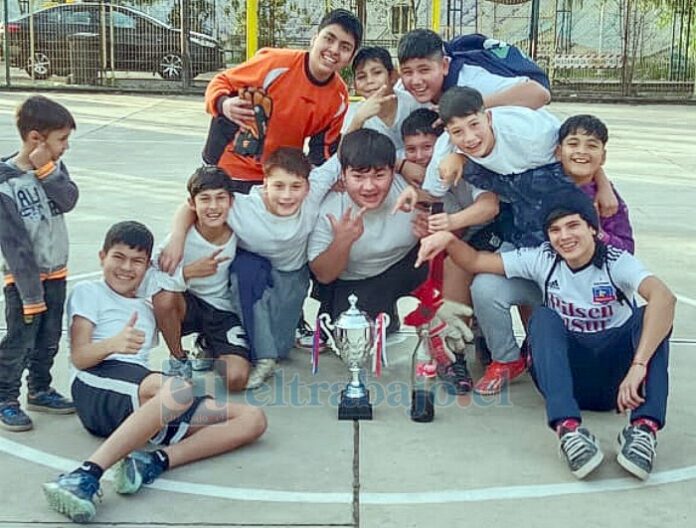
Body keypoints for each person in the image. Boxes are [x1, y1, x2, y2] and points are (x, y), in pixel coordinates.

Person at [416, 191, 674, 481]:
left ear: (592, 227)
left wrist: (638, 366)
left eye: (573, 225)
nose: (564, 236)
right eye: (555, 230)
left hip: (620, 384)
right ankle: (568, 430)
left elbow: (664, 297)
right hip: (566, 378)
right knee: (544, 318)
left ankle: (643, 429)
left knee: (650, 316)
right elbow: (476, 261)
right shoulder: (543, 259)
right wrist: (449, 240)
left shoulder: (616, 261)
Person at [43, 221, 266, 523]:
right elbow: (81, 357)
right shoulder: (88, 292)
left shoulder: (147, 309)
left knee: (252, 419)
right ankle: (85, 474)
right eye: (118, 257)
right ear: (101, 257)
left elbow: (172, 287)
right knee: (179, 389)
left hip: (135, 402)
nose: (126, 268)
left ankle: (152, 462)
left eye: (137, 261)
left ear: (147, 266)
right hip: (96, 385)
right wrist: (114, 344)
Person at [399, 87, 616, 396]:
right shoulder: (448, 154)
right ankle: (504, 358)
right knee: (484, 285)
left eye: (475, 125)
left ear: (488, 117)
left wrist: (603, 182)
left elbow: (581, 150)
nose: (470, 136)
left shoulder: (533, 134)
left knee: (577, 332)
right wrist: (415, 188)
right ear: (447, 134)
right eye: (457, 131)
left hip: (570, 251)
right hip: (526, 238)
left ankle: (570, 352)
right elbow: (434, 190)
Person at [161, 148, 341, 389]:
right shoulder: (242, 206)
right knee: (244, 271)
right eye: (278, 186)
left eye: (295, 187)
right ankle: (257, 357)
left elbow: (343, 156)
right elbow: (193, 204)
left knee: (281, 347)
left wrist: (360, 115)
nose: (286, 195)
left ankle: (216, 342)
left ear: (307, 187)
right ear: (265, 184)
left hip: (292, 274)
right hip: (254, 270)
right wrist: (178, 237)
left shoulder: (313, 191)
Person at [202, 8, 362, 193]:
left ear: (351, 56)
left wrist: (326, 177)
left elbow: (322, 150)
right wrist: (224, 104)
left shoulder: (338, 98)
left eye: (345, 47)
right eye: (329, 38)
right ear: (314, 38)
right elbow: (221, 82)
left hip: (275, 178)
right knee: (209, 217)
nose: (334, 50)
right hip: (226, 166)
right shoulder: (275, 63)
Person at [0, 95, 79, 431]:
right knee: (20, 339)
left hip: (57, 272)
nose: (65, 147)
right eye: (61, 140)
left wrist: (47, 169)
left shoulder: (52, 170)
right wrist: (31, 294)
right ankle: (5, 398)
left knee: (49, 337)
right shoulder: (6, 183)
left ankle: (40, 388)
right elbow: (15, 246)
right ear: (36, 138)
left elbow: (69, 199)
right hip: (23, 282)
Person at [151, 167, 250, 391]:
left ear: (231, 201)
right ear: (192, 204)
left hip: (223, 309)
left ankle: (210, 344)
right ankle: (178, 358)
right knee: (164, 298)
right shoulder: (179, 240)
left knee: (236, 379)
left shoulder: (241, 230)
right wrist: (189, 272)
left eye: (220, 198)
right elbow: (153, 280)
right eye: (205, 199)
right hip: (188, 305)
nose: (213, 207)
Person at [342, 46, 425, 183]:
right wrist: (359, 119)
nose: (370, 81)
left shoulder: (413, 103)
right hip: (379, 177)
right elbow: (343, 155)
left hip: (421, 169)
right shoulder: (355, 113)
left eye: (377, 73)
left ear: (393, 76)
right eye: (361, 77)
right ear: (355, 86)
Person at [557, 114, 634, 253]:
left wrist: (598, 233)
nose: (581, 151)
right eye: (573, 144)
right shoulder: (541, 185)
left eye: (591, 146)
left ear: (603, 157)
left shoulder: (608, 202)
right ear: (558, 152)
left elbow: (627, 251)